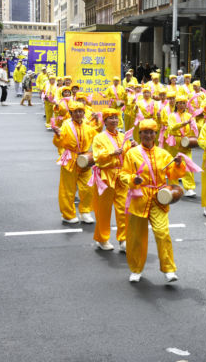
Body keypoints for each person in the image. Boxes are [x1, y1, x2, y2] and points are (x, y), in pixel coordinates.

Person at [119, 119, 187, 283]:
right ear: (140, 134)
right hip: (138, 197)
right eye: (145, 132)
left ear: (156, 134)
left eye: (151, 132)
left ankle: (169, 269)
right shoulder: (131, 153)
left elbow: (172, 174)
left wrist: (178, 165)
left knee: (162, 233)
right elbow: (123, 174)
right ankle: (135, 269)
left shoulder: (163, 153)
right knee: (136, 236)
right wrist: (132, 179)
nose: (148, 135)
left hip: (159, 198)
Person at [90, 108, 136, 252]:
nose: (114, 120)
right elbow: (97, 156)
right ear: (105, 121)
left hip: (121, 176)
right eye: (111, 118)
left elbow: (128, 156)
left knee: (123, 209)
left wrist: (133, 147)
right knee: (103, 209)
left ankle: (123, 239)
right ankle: (102, 239)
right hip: (106, 175)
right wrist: (111, 153)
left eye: (116, 117)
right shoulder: (99, 137)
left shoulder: (123, 136)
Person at [52, 102, 99, 224]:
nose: (78, 114)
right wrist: (58, 135)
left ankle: (85, 212)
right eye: (75, 112)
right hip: (70, 159)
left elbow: (98, 138)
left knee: (89, 187)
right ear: (71, 114)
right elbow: (59, 142)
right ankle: (67, 214)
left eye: (81, 111)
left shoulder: (88, 127)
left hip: (85, 159)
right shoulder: (66, 126)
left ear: (84, 113)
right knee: (68, 188)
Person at [166, 94, 198, 197]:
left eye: (184, 103)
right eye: (180, 103)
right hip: (175, 142)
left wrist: (193, 127)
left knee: (187, 164)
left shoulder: (189, 116)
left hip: (186, 143)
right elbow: (171, 128)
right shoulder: (171, 116)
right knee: (174, 165)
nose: (182, 105)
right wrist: (183, 124)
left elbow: (194, 129)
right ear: (176, 104)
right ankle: (174, 187)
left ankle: (189, 188)